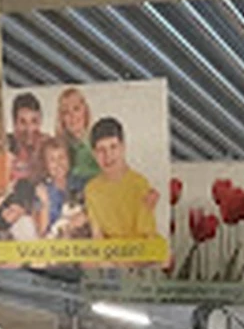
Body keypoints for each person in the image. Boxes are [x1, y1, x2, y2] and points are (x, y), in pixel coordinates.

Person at [82, 117, 166, 250]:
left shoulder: (139, 184)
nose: (108, 156)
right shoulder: (91, 189)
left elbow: (146, 237)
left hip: (138, 251)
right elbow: (97, 236)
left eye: (113, 147)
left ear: (123, 147)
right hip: (109, 253)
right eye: (101, 150)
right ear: (94, 154)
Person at [53, 87, 101, 184]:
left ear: (85, 111)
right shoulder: (59, 147)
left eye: (76, 109)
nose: (72, 116)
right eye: (66, 112)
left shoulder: (98, 142)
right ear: (61, 118)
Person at [6, 91, 47, 182]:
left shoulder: (48, 147)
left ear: (40, 121)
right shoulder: (5, 147)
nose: (29, 129)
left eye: (34, 121)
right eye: (23, 122)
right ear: (14, 124)